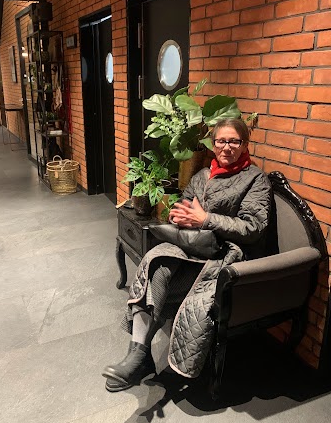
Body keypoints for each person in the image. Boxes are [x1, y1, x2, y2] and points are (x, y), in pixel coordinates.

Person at [102, 118, 272, 392]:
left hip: (224, 254)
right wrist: (178, 214)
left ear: (245, 145)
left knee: (168, 290)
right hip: (192, 245)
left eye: (234, 141)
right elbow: (184, 202)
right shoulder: (202, 175)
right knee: (155, 264)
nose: (227, 147)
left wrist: (205, 219)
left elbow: (253, 227)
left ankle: (140, 359)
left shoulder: (255, 179)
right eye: (221, 141)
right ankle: (139, 354)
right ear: (213, 144)